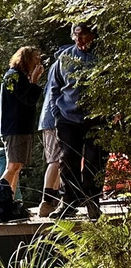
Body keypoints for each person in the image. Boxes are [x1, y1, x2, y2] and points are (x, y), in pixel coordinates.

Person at [48, 23, 106, 219]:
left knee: (94, 161)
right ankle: (68, 202)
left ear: (92, 35)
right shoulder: (64, 59)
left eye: (83, 35)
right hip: (67, 118)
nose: (79, 39)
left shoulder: (104, 57)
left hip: (97, 118)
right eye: (76, 35)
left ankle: (92, 201)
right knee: (67, 161)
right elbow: (55, 87)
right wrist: (56, 112)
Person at [0, 46, 45, 195]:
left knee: (17, 167)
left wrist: (32, 81)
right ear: (25, 59)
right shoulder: (13, 76)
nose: (38, 61)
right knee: (12, 166)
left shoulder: (21, 77)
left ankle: (9, 202)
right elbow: (28, 99)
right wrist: (35, 81)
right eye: (35, 58)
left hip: (22, 127)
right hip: (14, 127)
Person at [36, 47, 65, 217]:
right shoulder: (60, 69)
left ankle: (53, 200)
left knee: (60, 161)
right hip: (53, 121)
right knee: (55, 160)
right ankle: (46, 202)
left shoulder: (54, 70)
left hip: (52, 120)